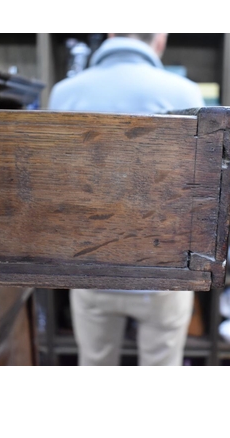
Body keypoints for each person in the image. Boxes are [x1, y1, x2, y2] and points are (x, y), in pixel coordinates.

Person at [48, 33, 205, 366]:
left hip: (90, 270)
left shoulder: (65, 93)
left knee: (95, 364)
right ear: (159, 38)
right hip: (164, 275)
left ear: (110, 32)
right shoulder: (186, 93)